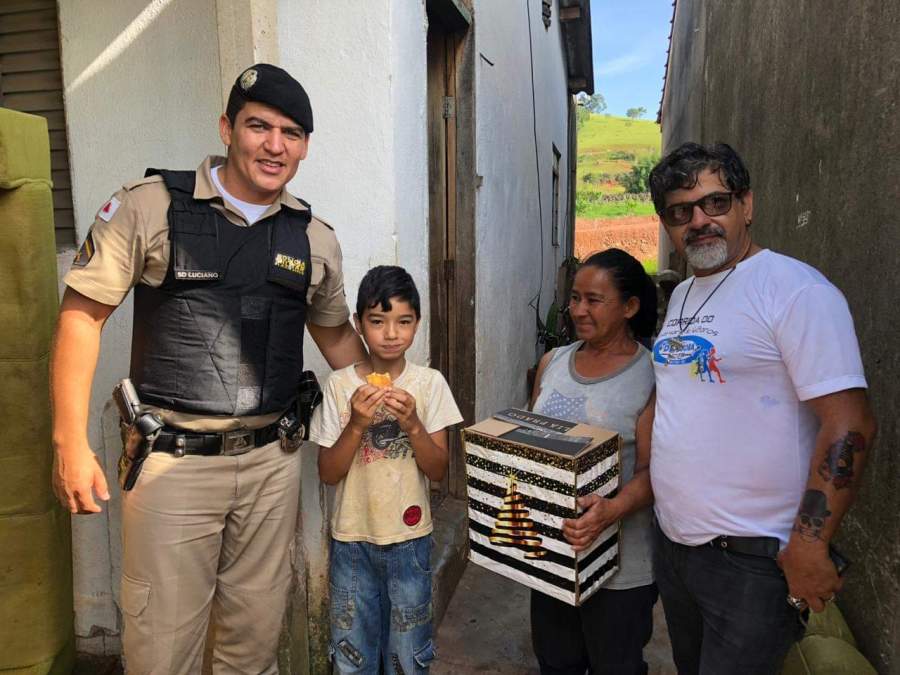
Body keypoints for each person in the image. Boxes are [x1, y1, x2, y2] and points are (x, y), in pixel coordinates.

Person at [50, 63, 367, 673]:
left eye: (291, 133)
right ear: (227, 128)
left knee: (253, 644)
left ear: (305, 146)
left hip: (273, 463)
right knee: (162, 651)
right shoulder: (150, 208)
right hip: (174, 466)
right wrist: (69, 441)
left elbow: (334, 336)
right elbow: (81, 317)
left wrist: (390, 392)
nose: (275, 146)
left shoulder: (314, 238)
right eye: (258, 126)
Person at [648, 142, 877, 674]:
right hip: (676, 547)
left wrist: (810, 546)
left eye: (715, 202)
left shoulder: (795, 290)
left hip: (751, 562)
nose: (699, 221)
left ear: (746, 205)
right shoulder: (684, 294)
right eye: (680, 212)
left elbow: (850, 422)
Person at [310, 265, 463, 674]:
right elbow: (328, 472)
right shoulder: (340, 386)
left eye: (403, 321)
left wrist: (412, 425)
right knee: (352, 652)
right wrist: (357, 425)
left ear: (417, 323)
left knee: (408, 654)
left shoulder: (429, 384)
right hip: (351, 539)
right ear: (359, 323)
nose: (391, 333)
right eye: (378, 321)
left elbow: (437, 470)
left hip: (409, 540)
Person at [529, 248, 658, 675]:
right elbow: (531, 445)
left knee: (616, 665)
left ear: (629, 307)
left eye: (593, 300)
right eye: (574, 298)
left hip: (620, 567)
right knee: (556, 662)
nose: (578, 310)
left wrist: (612, 510)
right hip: (553, 554)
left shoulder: (650, 376)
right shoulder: (552, 363)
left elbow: (654, 472)